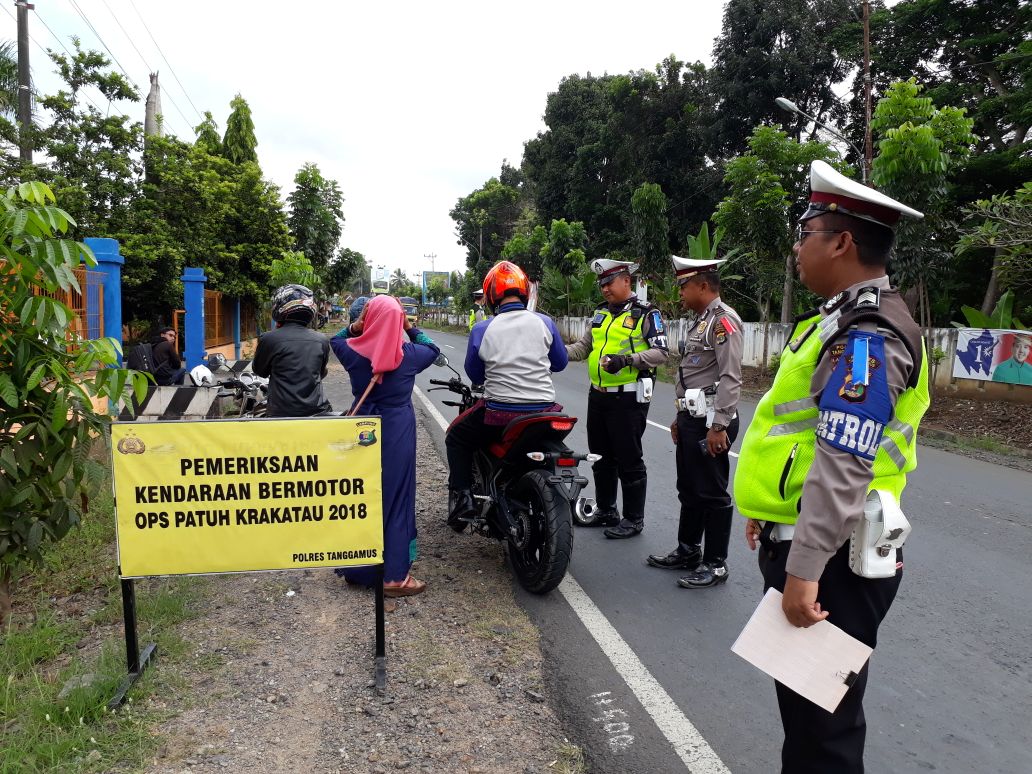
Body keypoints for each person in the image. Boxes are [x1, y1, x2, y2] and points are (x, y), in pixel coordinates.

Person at [735, 159, 930, 773]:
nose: (797, 247)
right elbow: (798, 439)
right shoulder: (838, 320)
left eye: (805, 232)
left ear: (842, 241)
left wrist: (803, 568)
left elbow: (844, 460)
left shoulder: (867, 334)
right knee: (808, 721)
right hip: (819, 545)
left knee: (824, 736)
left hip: (835, 561)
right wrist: (768, 514)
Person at [331, 295, 441, 597]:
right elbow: (433, 347)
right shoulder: (409, 355)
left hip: (361, 430)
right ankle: (393, 577)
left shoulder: (352, 352)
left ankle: (358, 568)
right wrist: (409, 327)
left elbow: (335, 339)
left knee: (362, 497)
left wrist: (356, 326)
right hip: (396, 431)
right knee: (395, 499)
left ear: (369, 319)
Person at [446, 261, 568, 528]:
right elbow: (560, 363)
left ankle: (464, 497)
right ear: (524, 291)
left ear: (491, 296)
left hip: (500, 414)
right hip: (545, 411)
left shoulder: (482, 328)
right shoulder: (545, 322)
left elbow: (476, 376)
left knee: (456, 436)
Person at [647, 255, 743, 588]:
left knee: (712, 493)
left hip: (711, 421)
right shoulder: (700, 320)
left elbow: (731, 377)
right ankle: (688, 550)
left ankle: (715, 564)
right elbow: (692, 374)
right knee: (688, 488)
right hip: (691, 417)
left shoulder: (723, 321)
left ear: (703, 285)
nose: (680, 294)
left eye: (684, 286)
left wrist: (718, 426)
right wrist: (679, 416)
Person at [565, 259, 668, 539]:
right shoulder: (600, 314)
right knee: (600, 456)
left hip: (628, 398)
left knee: (628, 457)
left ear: (626, 281)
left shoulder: (646, 313)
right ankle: (607, 510)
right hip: (598, 396)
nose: (605, 289)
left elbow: (661, 353)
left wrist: (627, 360)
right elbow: (584, 347)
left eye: (609, 283)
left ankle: (634, 519)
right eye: (601, 284)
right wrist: (556, 353)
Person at [252, 284, 332, 417]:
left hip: (280, 413)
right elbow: (320, 372)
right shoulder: (321, 339)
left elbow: (260, 371)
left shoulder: (269, 338)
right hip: (318, 411)